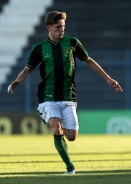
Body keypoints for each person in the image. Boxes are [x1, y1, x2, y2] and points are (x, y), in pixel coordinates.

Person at [7, 11, 123, 174]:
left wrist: (108, 78)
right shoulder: (39, 48)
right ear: (48, 27)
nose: (61, 30)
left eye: (63, 26)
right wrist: (17, 81)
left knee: (71, 136)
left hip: (68, 95)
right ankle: (70, 166)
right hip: (48, 96)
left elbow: (88, 60)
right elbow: (27, 70)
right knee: (56, 128)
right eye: (58, 27)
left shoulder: (72, 42)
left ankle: (63, 143)